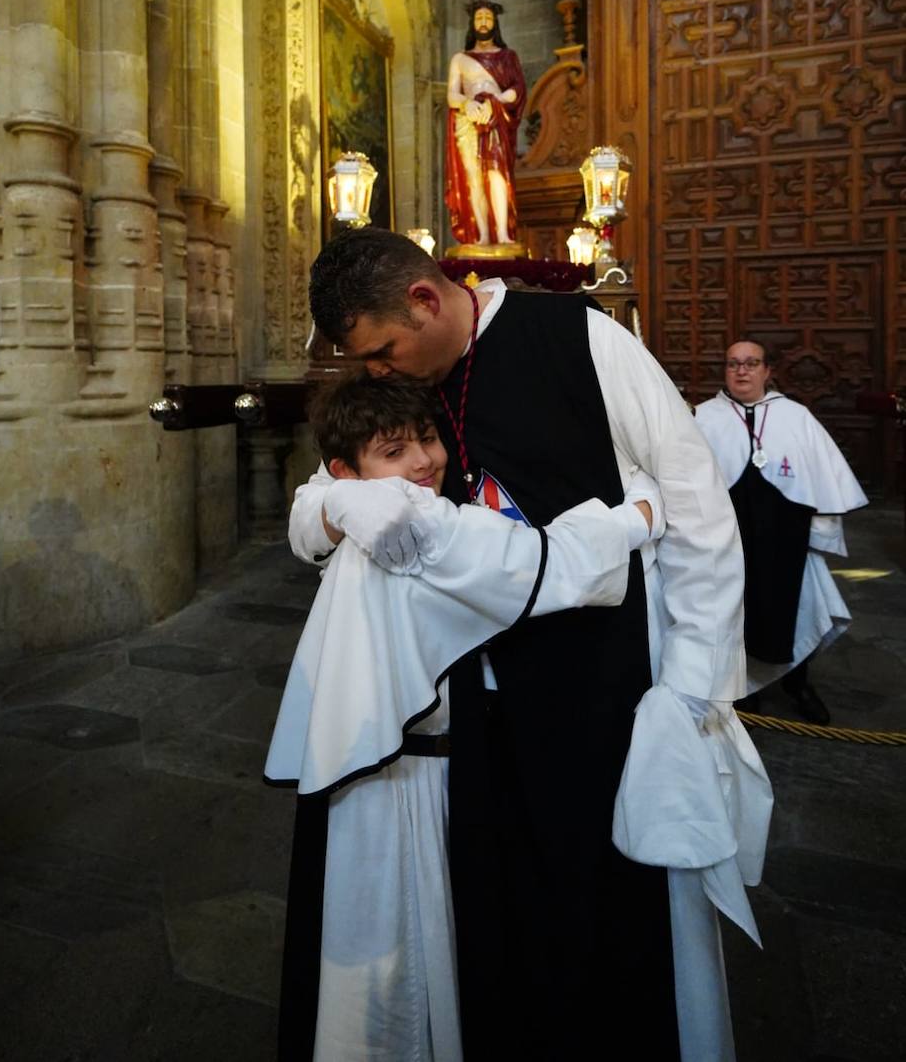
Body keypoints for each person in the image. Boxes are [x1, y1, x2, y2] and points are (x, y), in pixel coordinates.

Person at [294, 228, 773, 1062]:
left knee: (609, 912)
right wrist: (325, 515)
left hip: (602, 688)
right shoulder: (409, 388)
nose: (375, 369)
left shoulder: (580, 338)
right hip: (474, 719)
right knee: (497, 918)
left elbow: (695, 505)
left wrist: (690, 686)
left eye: (379, 350)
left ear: (424, 300)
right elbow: (334, 487)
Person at [268, 372, 663, 1061]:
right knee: (403, 949)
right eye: (395, 451)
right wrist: (639, 516)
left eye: (427, 439)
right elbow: (547, 560)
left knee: (378, 947)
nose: (423, 462)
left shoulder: (376, 505)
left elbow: (313, 506)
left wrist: (332, 501)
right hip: (403, 778)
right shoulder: (417, 521)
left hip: (373, 763)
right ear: (348, 469)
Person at [695, 337, 867, 724]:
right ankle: (744, 690)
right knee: (734, 611)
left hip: (784, 540)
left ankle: (798, 685)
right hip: (729, 540)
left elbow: (821, 478)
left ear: (767, 371)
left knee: (795, 607)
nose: (741, 371)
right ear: (725, 370)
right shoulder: (704, 417)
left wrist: (820, 534)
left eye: (751, 363)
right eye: (733, 363)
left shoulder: (796, 417)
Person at [444, 0, 526, 248]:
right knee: (473, 177)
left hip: (495, 118)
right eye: (479, 17)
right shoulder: (460, 59)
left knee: (496, 173)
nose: (483, 22)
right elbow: (451, 95)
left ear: (495, 23)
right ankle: (481, 236)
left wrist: (496, 102)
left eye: (488, 18)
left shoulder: (507, 57)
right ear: (472, 23)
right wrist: (467, 104)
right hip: (468, 120)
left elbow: (518, 88)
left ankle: (502, 234)